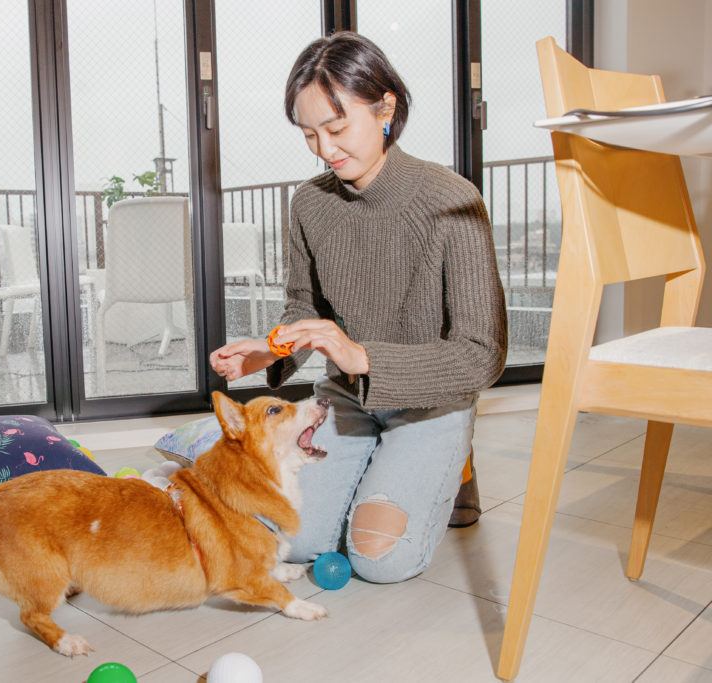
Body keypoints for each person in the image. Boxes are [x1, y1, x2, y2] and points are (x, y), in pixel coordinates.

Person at [209, 31, 507, 583]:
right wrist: (269, 352)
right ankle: (381, 461)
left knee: (378, 559)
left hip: (431, 404)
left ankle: (453, 462)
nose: (325, 148)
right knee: (295, 542)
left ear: (385, 106)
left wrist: (362, 356)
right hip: (345, 402)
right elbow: (304, 304)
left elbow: (481, 355)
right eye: (309, 134)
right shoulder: (310, 203)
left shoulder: (453, 201)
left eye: (337, 127)